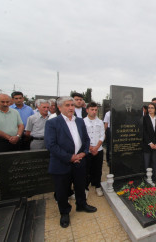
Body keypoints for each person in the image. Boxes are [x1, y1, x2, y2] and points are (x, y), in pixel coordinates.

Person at [45, 96, 97, 229]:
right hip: (62, 163)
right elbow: (51, 145)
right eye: (67, 105)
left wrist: (84, 153)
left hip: (80, 161)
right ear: (60, 107)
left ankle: (81, 205)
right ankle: (64, 212)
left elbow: (86, 139)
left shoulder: (79, 121)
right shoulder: (53, 123)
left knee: (80, 185)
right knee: (62, 189)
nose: (71, 108)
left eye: (72, 105)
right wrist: (70, 157)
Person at [83, 102, 105, 197]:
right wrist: (90, 147)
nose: (94, 112)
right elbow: (82, 136)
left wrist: (96, 147)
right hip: (88, 150)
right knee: (86, 170)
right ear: (87, 110)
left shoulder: (100, 122)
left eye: (96, 110)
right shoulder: (82, 121)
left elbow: (102, 135)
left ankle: (97, 186)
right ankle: (85, 188)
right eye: (92, 109)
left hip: (98, 149)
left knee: (98, 169)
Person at [143, 103, 156, 183]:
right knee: (146, 163)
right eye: (149, 108)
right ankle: (145, 179)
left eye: (152, 108)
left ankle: (154, 180)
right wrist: (150, 143)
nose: (150, 109)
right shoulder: (144, 118)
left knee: (155, 163)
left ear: (155, 109)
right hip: (147, 145)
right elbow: (144, 132)